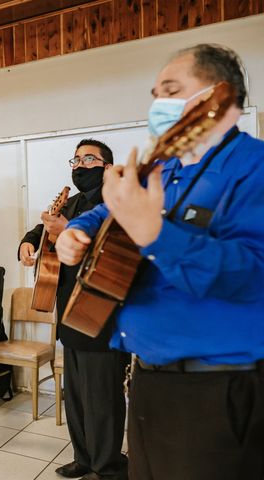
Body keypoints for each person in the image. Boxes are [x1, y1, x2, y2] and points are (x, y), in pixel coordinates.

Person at [56, 44, 264, 480]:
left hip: (215, 389)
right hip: (148, 380)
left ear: (217, 96)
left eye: (171, 90)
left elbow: (251, 274)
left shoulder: (254, 167)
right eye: (156, 93)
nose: (158, 104)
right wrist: (78, 232)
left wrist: (154, 233)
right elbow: (106, 210)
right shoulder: (163, 167)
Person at [19, 139, 130, 480]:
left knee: (104, 398)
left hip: (103, 317)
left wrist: (66, 230)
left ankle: (108, 467)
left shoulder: (119, 203)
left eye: (90, 159)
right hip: (69, 314)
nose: (81, 165)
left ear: (108, 167)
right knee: (77, 395)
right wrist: (28, 239)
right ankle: (83, 458)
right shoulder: (75, 200)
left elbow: (118, 251)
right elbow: (44, 229)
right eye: (77, 159)